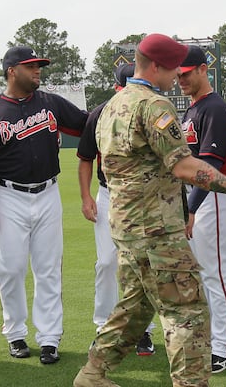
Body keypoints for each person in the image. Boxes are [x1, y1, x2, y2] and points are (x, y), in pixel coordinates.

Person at [73, 33, 226, 387]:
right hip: (155, 230)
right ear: (155, 66)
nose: (176, 77)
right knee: (188, 313)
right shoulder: (154, 106)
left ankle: (92, 374)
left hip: (125, 227)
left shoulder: (112, 106)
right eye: (172, 69)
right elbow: (185, 167)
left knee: (136, 310)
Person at [0, 46, 87, 364]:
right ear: (12, 71)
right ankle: (16, 334)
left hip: (48, 192)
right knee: (11, 268)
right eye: (31, 66)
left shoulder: (50, 103)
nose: (38, 71)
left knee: (48, 268)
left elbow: (85, 125)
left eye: (39, 66)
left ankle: (49, 338)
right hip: (7, 196)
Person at [77, 62, 157, 356]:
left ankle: (143, 331)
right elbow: (85, 157)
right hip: (109, 195)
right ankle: (104, 328)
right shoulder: (99, 114)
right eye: (125, 87)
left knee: (143, 264)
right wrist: (86, 197)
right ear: (116, 87)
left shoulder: (151, 110)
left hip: (144, 197)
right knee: (108, 263)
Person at [178, 45, 226, 373]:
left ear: (203, 69)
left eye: (186, 73)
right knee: (202, 273)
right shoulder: (193, 108)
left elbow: (213, 164)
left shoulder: (214, 107)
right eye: (177, 75)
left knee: (216, 273)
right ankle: (214, 340)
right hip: (199, 196)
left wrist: (191, 207)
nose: (181, 80)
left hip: (213, 195)